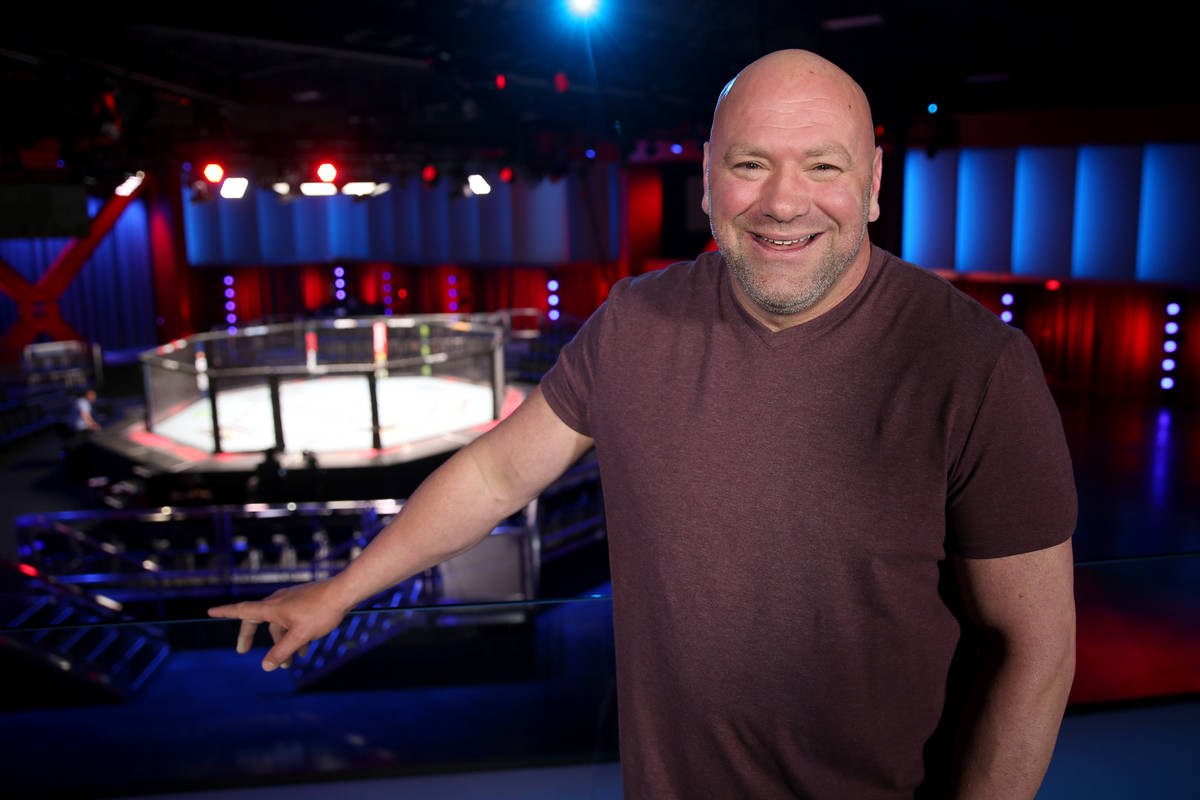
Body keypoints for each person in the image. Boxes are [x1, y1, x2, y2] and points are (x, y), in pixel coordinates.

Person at [210, 50, 1077, 799]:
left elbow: (1037, 654)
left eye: (823, 166)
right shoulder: (634, 324)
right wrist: (340, 592)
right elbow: (496, 475)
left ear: (874, 184)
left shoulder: (977, 366)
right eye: (750, 164)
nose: (784, 202)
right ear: (707, 177)